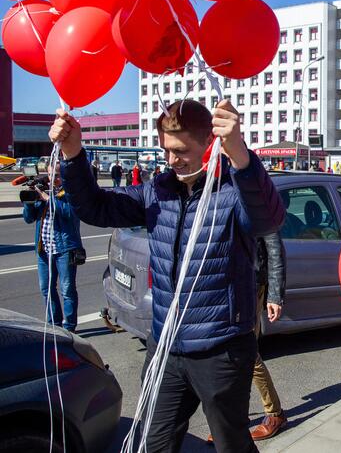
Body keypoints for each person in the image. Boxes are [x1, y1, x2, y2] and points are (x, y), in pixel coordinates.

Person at [48, 98, 285, 453]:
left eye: (180, 150)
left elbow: (268, 219)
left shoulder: (234, 192)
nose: (171, 160)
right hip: (166, 346)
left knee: (231, 443)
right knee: (154, 443)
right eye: (166, 150)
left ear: (210, 144)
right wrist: (73, 154)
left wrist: (241, 156)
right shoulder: (158, 192)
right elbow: (96, 207)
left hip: (220, 349)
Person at [208, 231, 288, 444]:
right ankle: (231, 422)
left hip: (249, 283)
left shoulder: (255, 197)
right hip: (224, 284)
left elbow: (274, 248)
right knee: (228, 353)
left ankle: (274, 413)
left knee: (247, 352)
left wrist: (275, 295)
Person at [23, 160, 83, 333]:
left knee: (67, 290)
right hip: (44, 250)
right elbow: (29, 218)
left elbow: (70, 214)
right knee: (46, 289)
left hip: (64, 250)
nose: (53, 178)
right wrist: (29, 202)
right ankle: (53, 325)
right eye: (50, 174)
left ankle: (70, 328)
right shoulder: (43, 191)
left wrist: (48, 199)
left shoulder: (71, 192)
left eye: (56, 175)